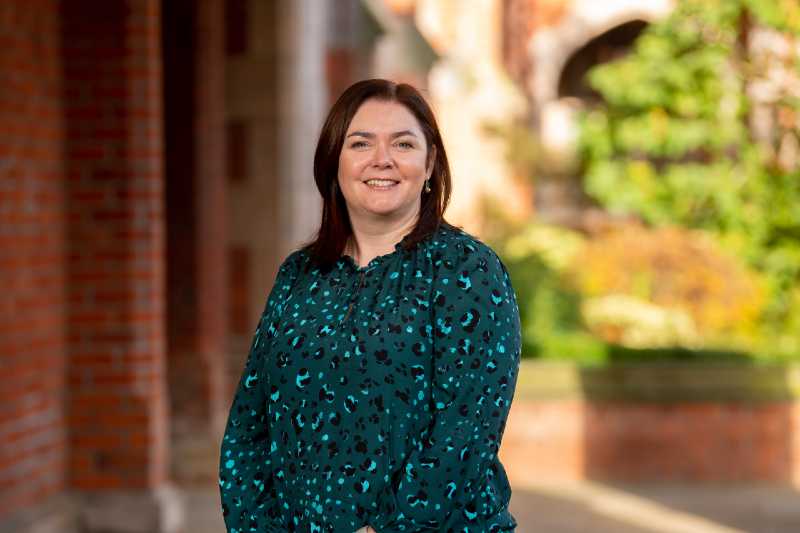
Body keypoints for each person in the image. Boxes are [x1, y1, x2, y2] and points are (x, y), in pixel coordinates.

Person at [219, 78, 521, 533]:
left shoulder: (467, 270)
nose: (382, 159)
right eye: (361, 143)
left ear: (429, 163)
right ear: (334, 162)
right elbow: (249, 425)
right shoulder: (300, 274)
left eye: (403, 143)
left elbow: (465, 432)